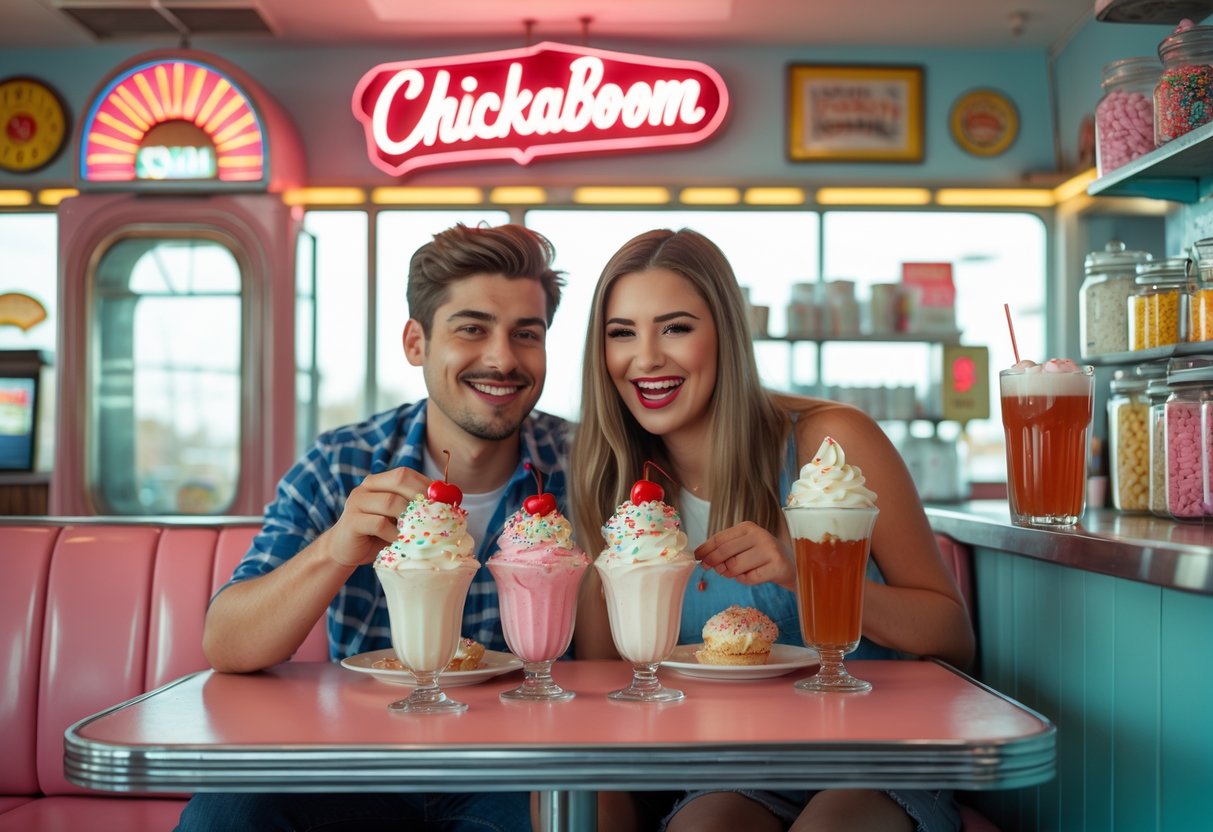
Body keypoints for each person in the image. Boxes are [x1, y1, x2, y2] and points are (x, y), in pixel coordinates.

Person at [571, 228, 976, 832]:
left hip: (876, 755)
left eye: (676, 327)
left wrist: (802, 571)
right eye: (621, 333)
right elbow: (607, 688)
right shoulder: (614, 485)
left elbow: (951, 635)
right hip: (733, 766)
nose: (647, 357)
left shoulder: (831, 443)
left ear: (726, 336)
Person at [176, 222, 569, 832]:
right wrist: (335, 548)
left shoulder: (583, 465)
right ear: (416, 342)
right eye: (471, 329)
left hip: (515, 767)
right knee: (226, 812)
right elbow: (226, 641)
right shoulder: (344, 463)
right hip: (359, 759)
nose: (502, 358)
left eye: (527, 334)